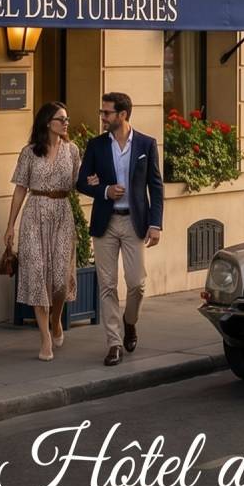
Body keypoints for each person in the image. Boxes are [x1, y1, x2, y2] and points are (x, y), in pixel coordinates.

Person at [77, 91, 163, 366]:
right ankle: (114, 343)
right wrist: (104, 190)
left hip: (134, 221)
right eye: (103, 112)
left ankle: (130, 321)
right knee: (108, 285)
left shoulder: (146, 144)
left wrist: (155, 224)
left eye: (107, 113)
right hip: (106, 222)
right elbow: (81, 182)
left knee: (137, 284)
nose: (102, 117)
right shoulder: (96, 145)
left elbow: (156, 186)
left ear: (122, 115)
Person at [4, 101, 80, 363]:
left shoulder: (72, 151)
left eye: (67, 119)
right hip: (34, 215)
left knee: (59, 280)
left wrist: (92, 182)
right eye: (62, 118)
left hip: (62, 214)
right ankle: (45, 337)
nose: (66, 123)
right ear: (48, 122)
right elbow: (20, 189)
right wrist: (10, 225)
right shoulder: (29, 153)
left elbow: (79, 182)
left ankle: (56, 320)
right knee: (37, 274)